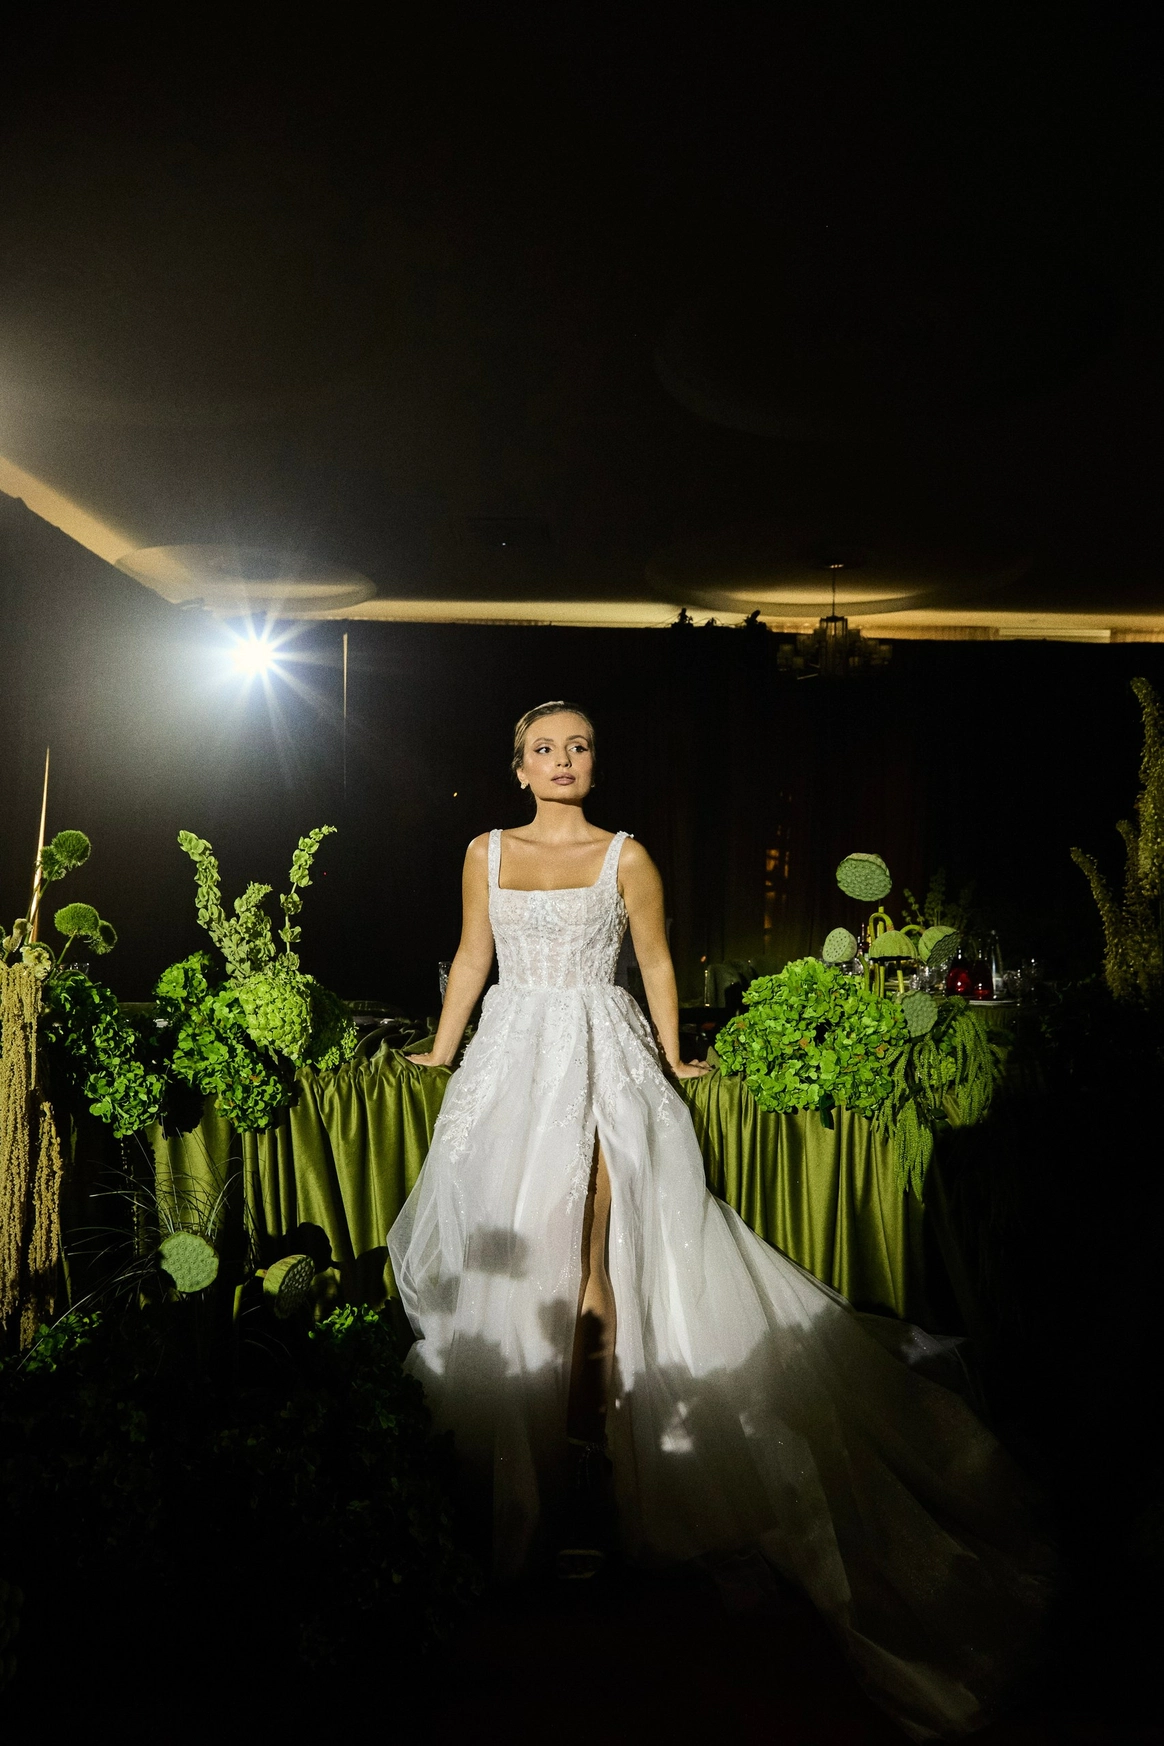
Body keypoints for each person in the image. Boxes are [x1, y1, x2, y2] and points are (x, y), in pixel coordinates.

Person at [389, 701, 1052, 1741]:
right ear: (517, 767)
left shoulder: (627, 856)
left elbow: (655, 962)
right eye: (545, 749)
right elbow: (473, 957)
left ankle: (591, 1464)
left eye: (579, 746)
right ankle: (537, 1461)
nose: (563, 760)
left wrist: (673, 1055)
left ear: (594, 762)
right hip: (508, 1063)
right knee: (514, 1249)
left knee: (591, 1248)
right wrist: (440, 1050)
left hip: (600, 1056)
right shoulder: (484, 853)